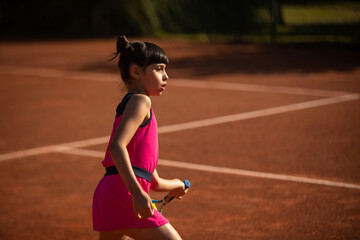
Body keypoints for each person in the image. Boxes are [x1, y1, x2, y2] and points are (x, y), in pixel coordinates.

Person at [92, 35, 188, 240]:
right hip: (124, 194)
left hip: (108, 193)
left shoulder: (132, 107)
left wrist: (177, 185)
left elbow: (155, 182)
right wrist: (137, 194)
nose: (166, 76)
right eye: (159, 68)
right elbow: (117, 147)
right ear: (136, 71)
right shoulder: (141, 102)